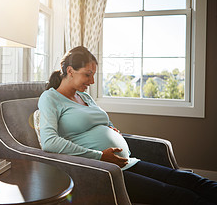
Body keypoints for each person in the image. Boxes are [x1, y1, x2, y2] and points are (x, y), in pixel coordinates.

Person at [38, 46, 217, 205]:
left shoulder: (84, 96)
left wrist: (111, 129)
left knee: (189, 179)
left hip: (127, 162)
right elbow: (50, 142)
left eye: (93, 75)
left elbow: (103, 120)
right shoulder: (50, 98)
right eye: (88, 74)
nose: (92, 81)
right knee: (179, 195)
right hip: (103, 170)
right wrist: (100, 156)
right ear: (70, 70)